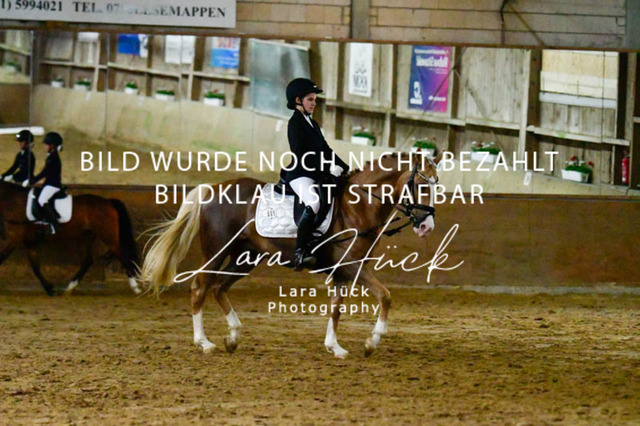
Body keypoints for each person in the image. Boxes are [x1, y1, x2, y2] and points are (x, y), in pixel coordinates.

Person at [281, 78, 349, 269]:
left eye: (315, 100)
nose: (314, 103)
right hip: (300, 174)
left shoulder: (313, 123)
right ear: (298, 100)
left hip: (316, 173)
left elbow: (325, 149)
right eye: (310, 99)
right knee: (314, 202)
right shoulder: (295, 123)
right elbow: (300, 154)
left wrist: (344, 166)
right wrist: (327, 168)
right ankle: (300, 251)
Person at [29, 132, 63, 234]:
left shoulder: (53, 157)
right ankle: (43, 219)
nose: (45, 146)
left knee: (42, 199)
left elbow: (45, 172)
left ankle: (55, 224)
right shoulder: (51, 156)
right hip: (49, 184)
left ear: (52, 145)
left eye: (46, 144)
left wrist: (33, 180)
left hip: (53, 185)